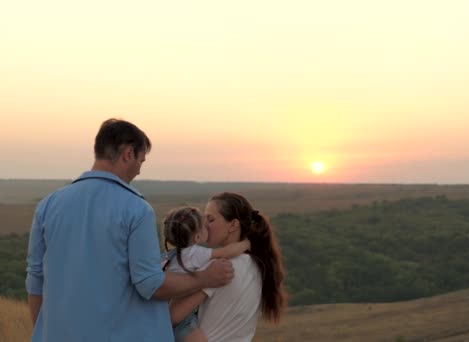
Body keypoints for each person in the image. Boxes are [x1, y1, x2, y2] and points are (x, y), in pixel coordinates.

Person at [25, 119, 234, 342]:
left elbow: (36, 278)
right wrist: (204, 278)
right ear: (128, 153)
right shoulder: (136, 209)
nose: (140, 170)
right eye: (141, 160)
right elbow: (150, 285)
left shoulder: (48, 205)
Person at [169, 192, 287, 342]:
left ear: (233, 225)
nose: (204, 225)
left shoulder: (219, 268)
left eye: (210, 220)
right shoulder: (257, 265)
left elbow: (173, 316)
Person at [161, 206, 251, 342]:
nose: (208, 227)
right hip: (183, 318)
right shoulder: (196, 254)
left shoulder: (167, 257)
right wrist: (246, 244)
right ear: (197, 237)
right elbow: (226, 252)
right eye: (204, 226)